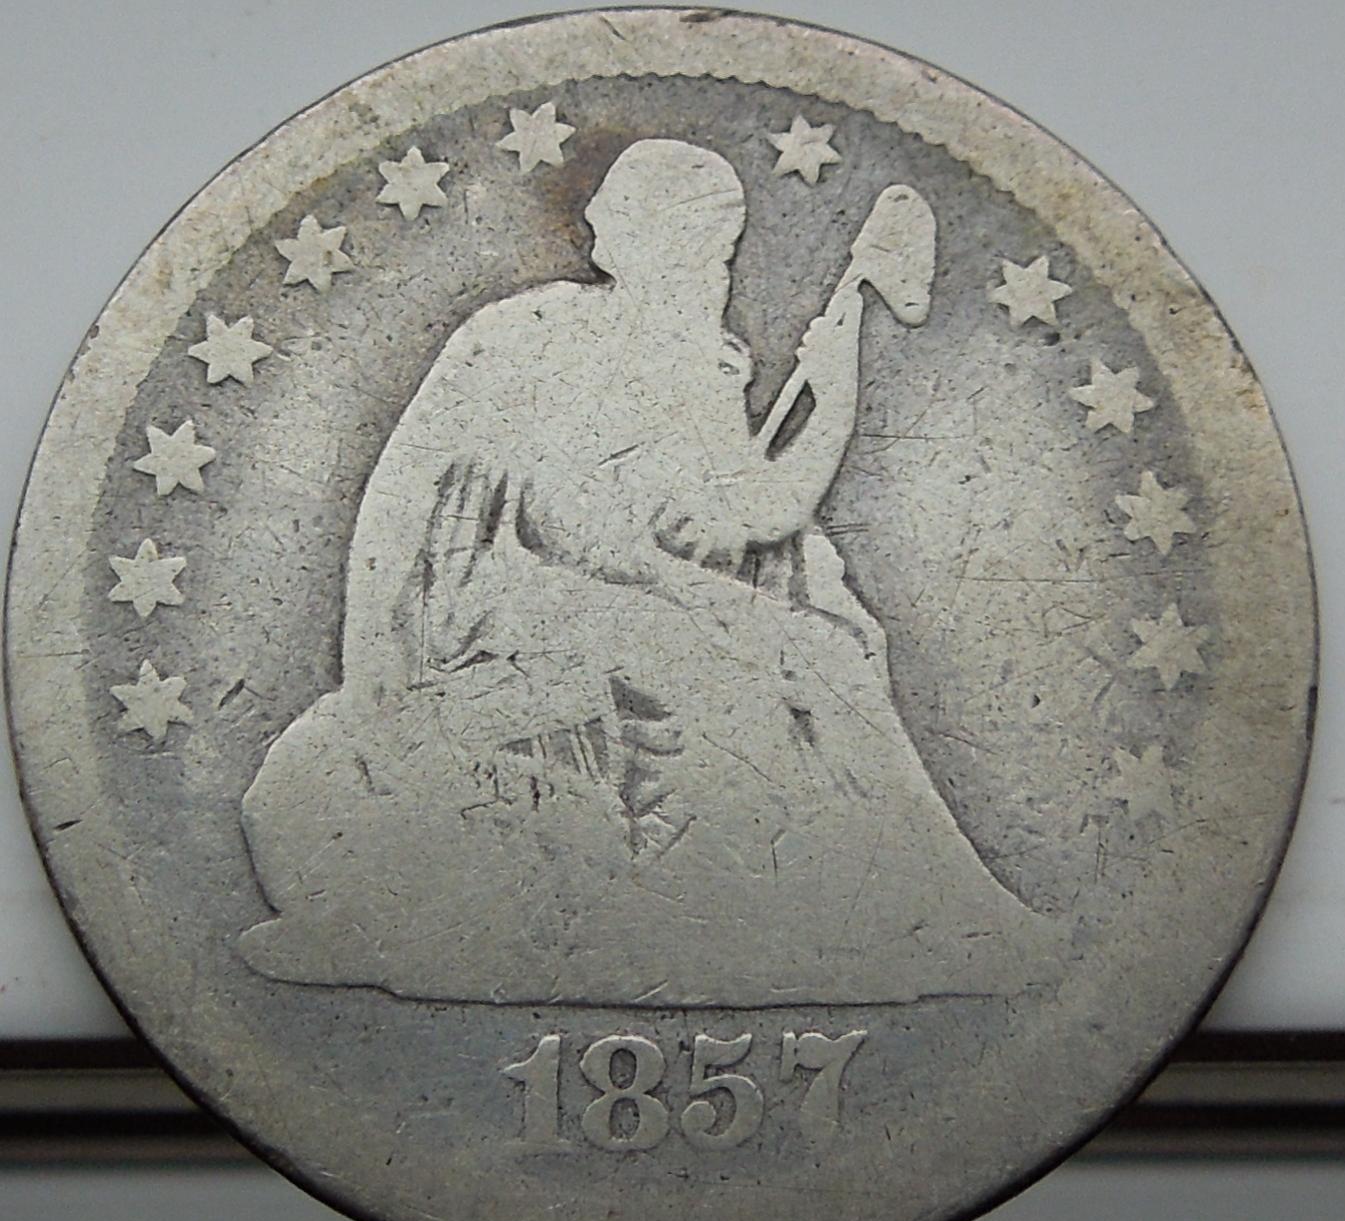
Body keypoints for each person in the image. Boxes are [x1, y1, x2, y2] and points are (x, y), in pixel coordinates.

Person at [238, 139, 1063, 1004]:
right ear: (627, 237)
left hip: (631, 591)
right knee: (731, 654)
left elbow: (758, 514)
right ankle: (771, 911)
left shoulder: (700, 362)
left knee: (833, 651)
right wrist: (373, 669)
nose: (715, 271)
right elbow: (416, 501)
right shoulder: (525, 335)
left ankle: (936, 917)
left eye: (722, 252)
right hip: (512, 600)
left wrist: (835, 386)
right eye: (701, 247)